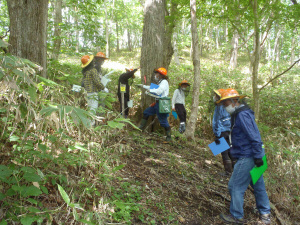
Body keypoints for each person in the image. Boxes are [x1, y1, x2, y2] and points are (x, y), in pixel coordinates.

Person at [218, 88, 271, 225]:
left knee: (234, 186)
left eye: (226, 103)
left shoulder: (242, 115)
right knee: (258, 185)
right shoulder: (237, 114)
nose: (225, 106)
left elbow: (254, 135)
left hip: (248, 156)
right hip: (251, 154)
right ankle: (265, 214)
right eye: (223, 104)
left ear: (235, 101)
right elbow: (234, 137)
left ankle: (236, 216)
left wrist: (258, 156)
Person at [137, 67, 171, 141]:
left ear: (161, 75)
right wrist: (143, 86)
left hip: (162, 104)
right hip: (157, 103)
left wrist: (149, 91)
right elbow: (152, 87)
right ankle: (141, 129)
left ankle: (169, 138)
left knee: (163, 121)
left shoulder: (164, 82)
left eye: (157, 73)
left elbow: (158, 91)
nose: (155, 75)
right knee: (146, 112)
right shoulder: (160, 82)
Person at [212, 89, 236, 175]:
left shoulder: (219, 106)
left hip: (221, 131)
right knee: (230, 150)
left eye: (216, 95)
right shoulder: (227, 105)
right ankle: (235, 171)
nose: (214, 97)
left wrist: (217, 134)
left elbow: (217, 121)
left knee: (224, 151)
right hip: (228, 131)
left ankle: (228, 172)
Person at [81, 55, 105, 127]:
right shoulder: (93, 70)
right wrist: (103, 87)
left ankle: (88, 125)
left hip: (86, 93)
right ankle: (91, 127)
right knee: (93, 110)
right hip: (93, 93)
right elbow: (97, 82)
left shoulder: (86, 71)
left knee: (90, 109)